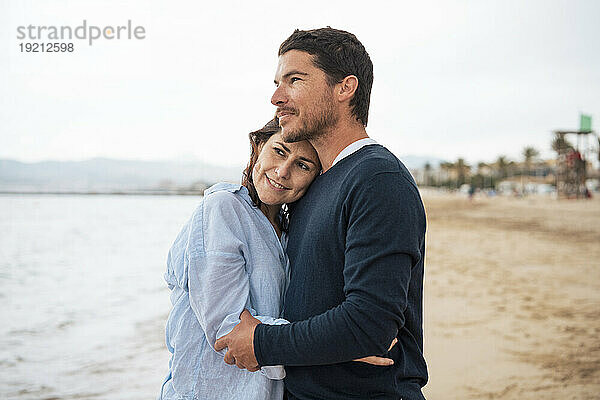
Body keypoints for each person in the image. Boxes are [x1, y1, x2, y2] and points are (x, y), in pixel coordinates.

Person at [215, 28, 429, 399]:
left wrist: (263, 342)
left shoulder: (378, 178)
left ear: (345, 88)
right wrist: (336, 345)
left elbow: (369, 325)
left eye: (294, 80)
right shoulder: (315, 184)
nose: (276, 97)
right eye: (277, 83)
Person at [158, 118, 392, 400]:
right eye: (279, 151)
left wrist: (340, 336)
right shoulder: (223, 208)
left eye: (302, 165)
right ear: (258, 147)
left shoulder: (291, 229)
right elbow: (228, 332)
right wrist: (338, 345)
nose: (282, 172)